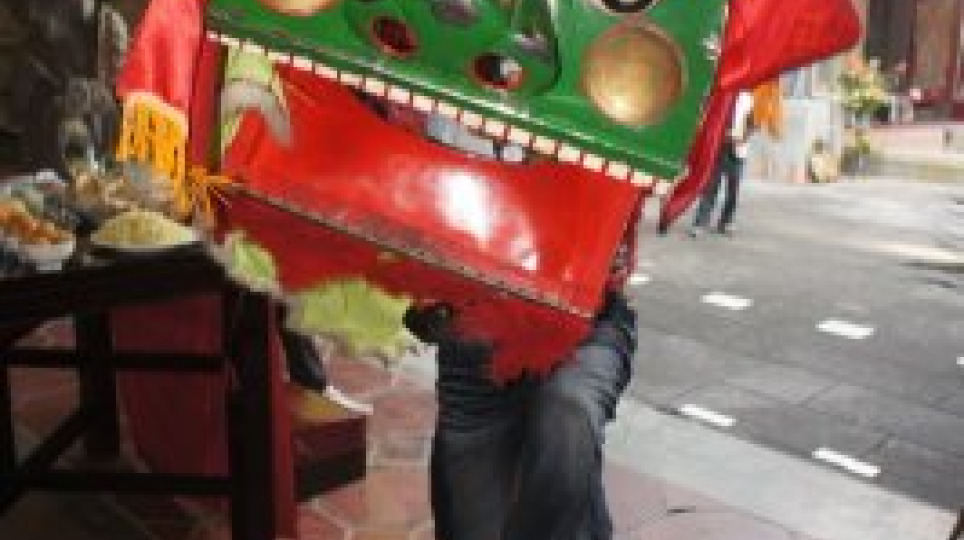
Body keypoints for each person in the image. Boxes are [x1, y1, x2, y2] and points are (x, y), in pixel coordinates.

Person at [397, 113, 639, 540]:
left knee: (569, 414)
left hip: (582, 321)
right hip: (473, 330)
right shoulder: (439, 101)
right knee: (475, 518)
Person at [689, 90, 755, 237]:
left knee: (733, 191)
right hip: (717, 149)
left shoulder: (748, 98)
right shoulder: (719, 95)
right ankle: (700, 223)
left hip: (737, 151)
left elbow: (752, 123)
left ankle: (726, 223)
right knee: (710, 189)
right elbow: (704, 114)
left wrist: (743, 137)